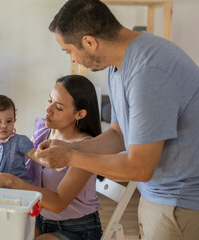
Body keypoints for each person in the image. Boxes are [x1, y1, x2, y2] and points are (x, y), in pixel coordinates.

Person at [35, 0, 199, 239]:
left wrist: (71, 156)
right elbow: (118, 135)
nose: (72, 59)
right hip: (158, 197)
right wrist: (70, 146)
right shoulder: (118, 66)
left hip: (180, 204)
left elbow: (140, 167)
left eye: (69, 51)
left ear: (90, 42)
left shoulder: (148, 71)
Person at [0, 75, 103, 240]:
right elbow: (12, 158)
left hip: (78, 228)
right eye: (49, 100)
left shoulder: (86, 148)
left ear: (79, 114)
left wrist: (10, 181)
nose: (48, 110)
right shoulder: (44, 131)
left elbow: (57, 203)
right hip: (39, 218)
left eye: (58, 107)